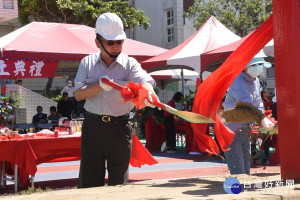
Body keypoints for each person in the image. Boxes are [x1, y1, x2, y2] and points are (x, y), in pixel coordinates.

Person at [74, 12, 157, 188]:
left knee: (119, 183)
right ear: (98, 42)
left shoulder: (130, 64)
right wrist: (98, 84)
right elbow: (78, 94)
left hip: (121, 127)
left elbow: (145, 80)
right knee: (89, 179)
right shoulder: (86, 63)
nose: (115, 47)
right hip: (93, 126)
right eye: (110, 42)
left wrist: (149, 93)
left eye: (119, 42)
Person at [223, 55, 274, 174]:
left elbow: (258, 102)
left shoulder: (255, 81)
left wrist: (262, 117)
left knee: (247, 158)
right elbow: (246, 103)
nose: (259, 68)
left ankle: (244, 183)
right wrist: (262, 118)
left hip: (246, 128)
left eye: (260, 65)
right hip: (233, 129)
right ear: (245, 67)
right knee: (237, 162)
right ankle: (236, 185)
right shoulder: (237, 81)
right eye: (255, 65)